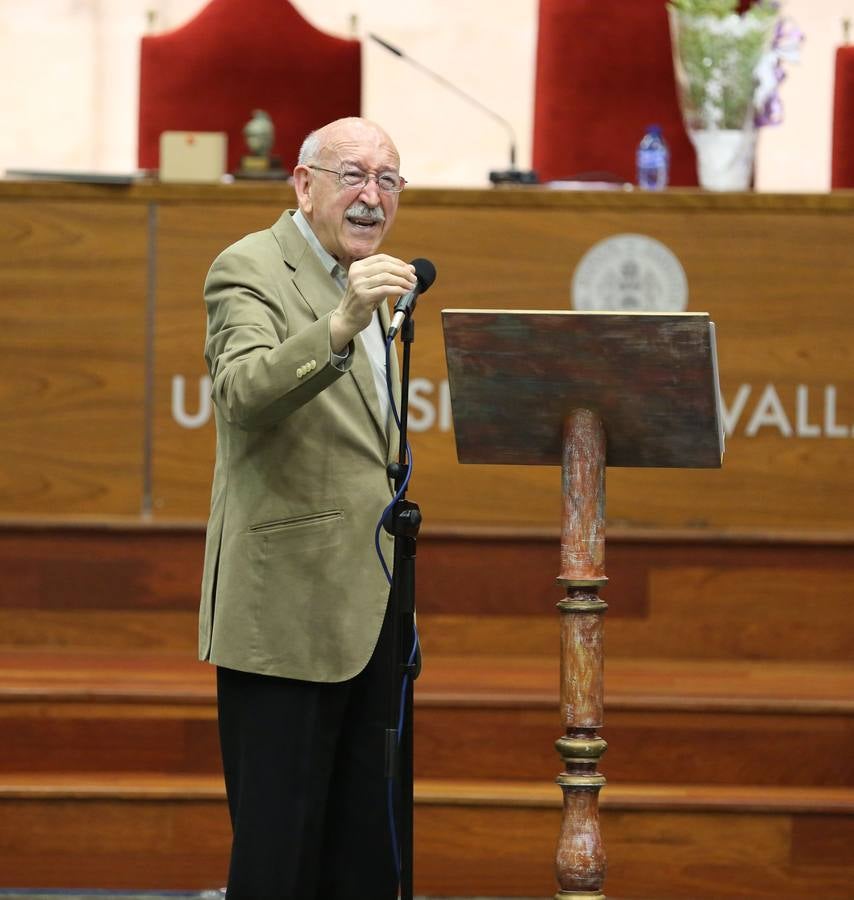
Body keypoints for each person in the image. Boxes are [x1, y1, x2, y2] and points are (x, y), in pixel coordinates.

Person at [198, 116, 418, 899]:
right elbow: (242, 393)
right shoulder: (249, 267)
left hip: (370, 607)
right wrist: (339, 327)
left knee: (364, 854)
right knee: (279, 858)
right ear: (303, 183)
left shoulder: (377, 279)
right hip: (283, 609)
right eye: (352, 175)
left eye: (387, 179)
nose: (370, 196)